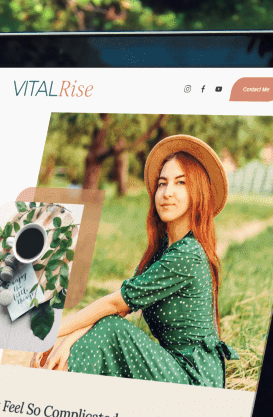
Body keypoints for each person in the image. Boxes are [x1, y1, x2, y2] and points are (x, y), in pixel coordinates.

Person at [37, 135, 237, 387]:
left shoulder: (188, 254)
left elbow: (113, 303)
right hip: (172, 367)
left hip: (195, 381)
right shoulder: (164, 249)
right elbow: (121, 306)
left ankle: (53, 391)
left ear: (198, 192)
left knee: (111, 331)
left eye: (181, 183)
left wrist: (52, 332)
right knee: (97, 331)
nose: (167, 193)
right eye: (162, 184)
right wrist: (71, 336)